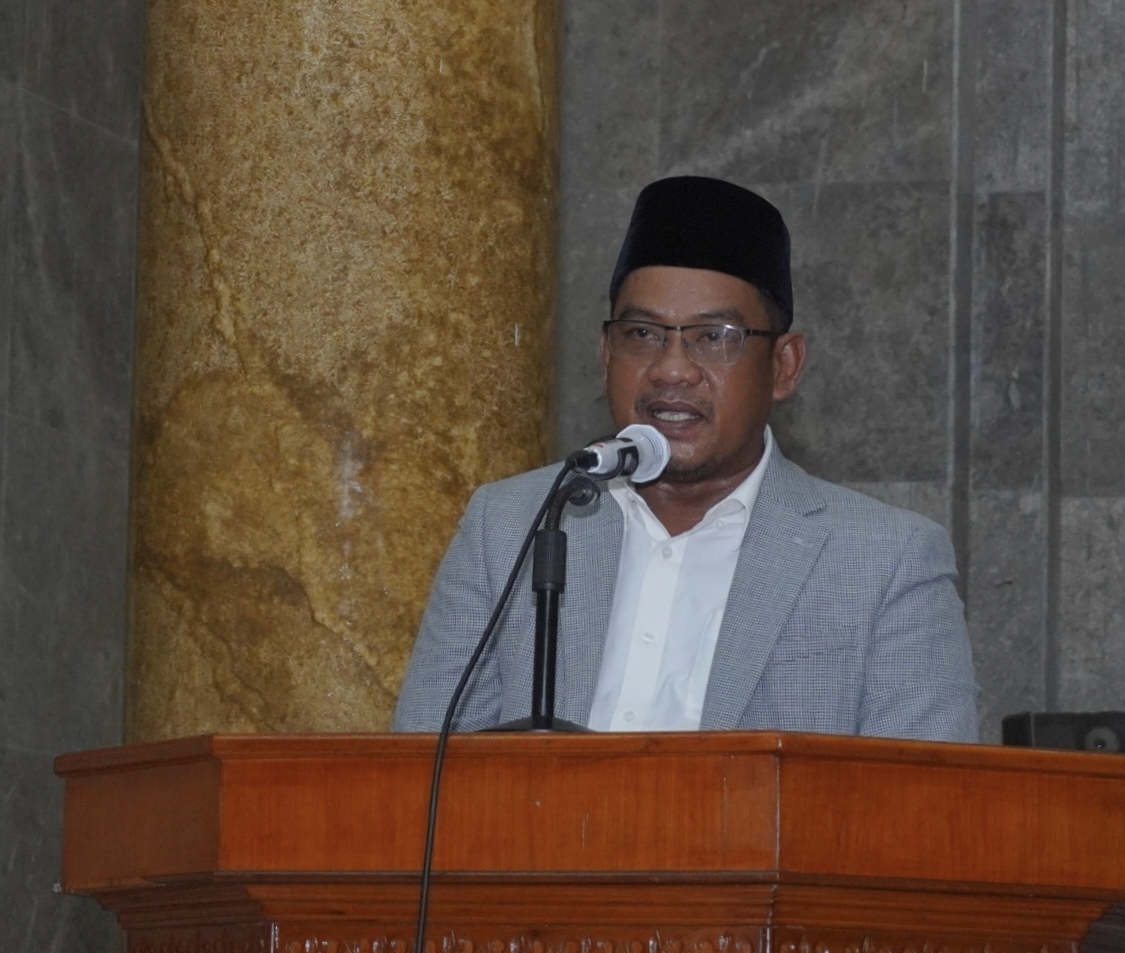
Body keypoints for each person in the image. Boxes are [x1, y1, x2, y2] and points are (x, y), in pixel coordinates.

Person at [391, 176, 978, 742]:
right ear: (605, 353)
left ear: (784, 366)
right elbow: (423, 772)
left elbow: (919, 801)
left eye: (714, 336)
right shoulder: (512, 523)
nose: (671, 369)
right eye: (642, 334)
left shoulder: (886, 561)